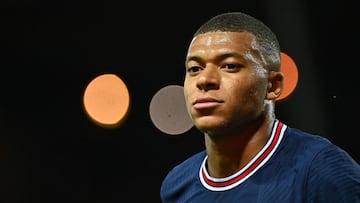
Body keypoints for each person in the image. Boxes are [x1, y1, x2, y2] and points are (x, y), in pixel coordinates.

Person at [160, 11, 360, 202]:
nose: (204, 79)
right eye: (194, 69)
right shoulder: (177, 185)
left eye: (229, 65)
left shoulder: (321, 169)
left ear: (272, 86)